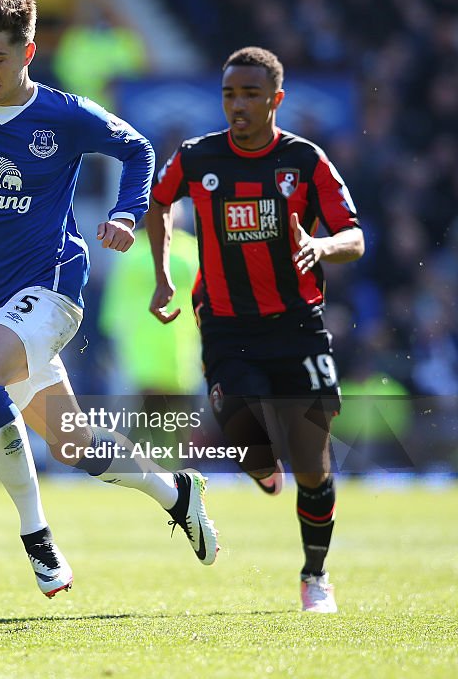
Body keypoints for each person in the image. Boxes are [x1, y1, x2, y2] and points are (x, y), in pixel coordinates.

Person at [0, 0, 219, 599]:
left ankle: (38, 541)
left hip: (52, 288)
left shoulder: (63, 115)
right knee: (75, 444)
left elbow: (136, 149)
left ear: (28, 52)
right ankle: (177, 492)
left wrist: (128, 212)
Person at [146, 47, 365, 613]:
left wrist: (320, 245)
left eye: (249, 94)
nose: (237, 105)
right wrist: (163, 275)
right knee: (245, 433)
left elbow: (355, 236)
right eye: (228, 95)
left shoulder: (306, 161)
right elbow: (159, 200)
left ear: (276, 99)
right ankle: (263, 467)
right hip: (226, 322)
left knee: (315, 467)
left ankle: (315, 577)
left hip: (297, 324)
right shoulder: (197, 157)